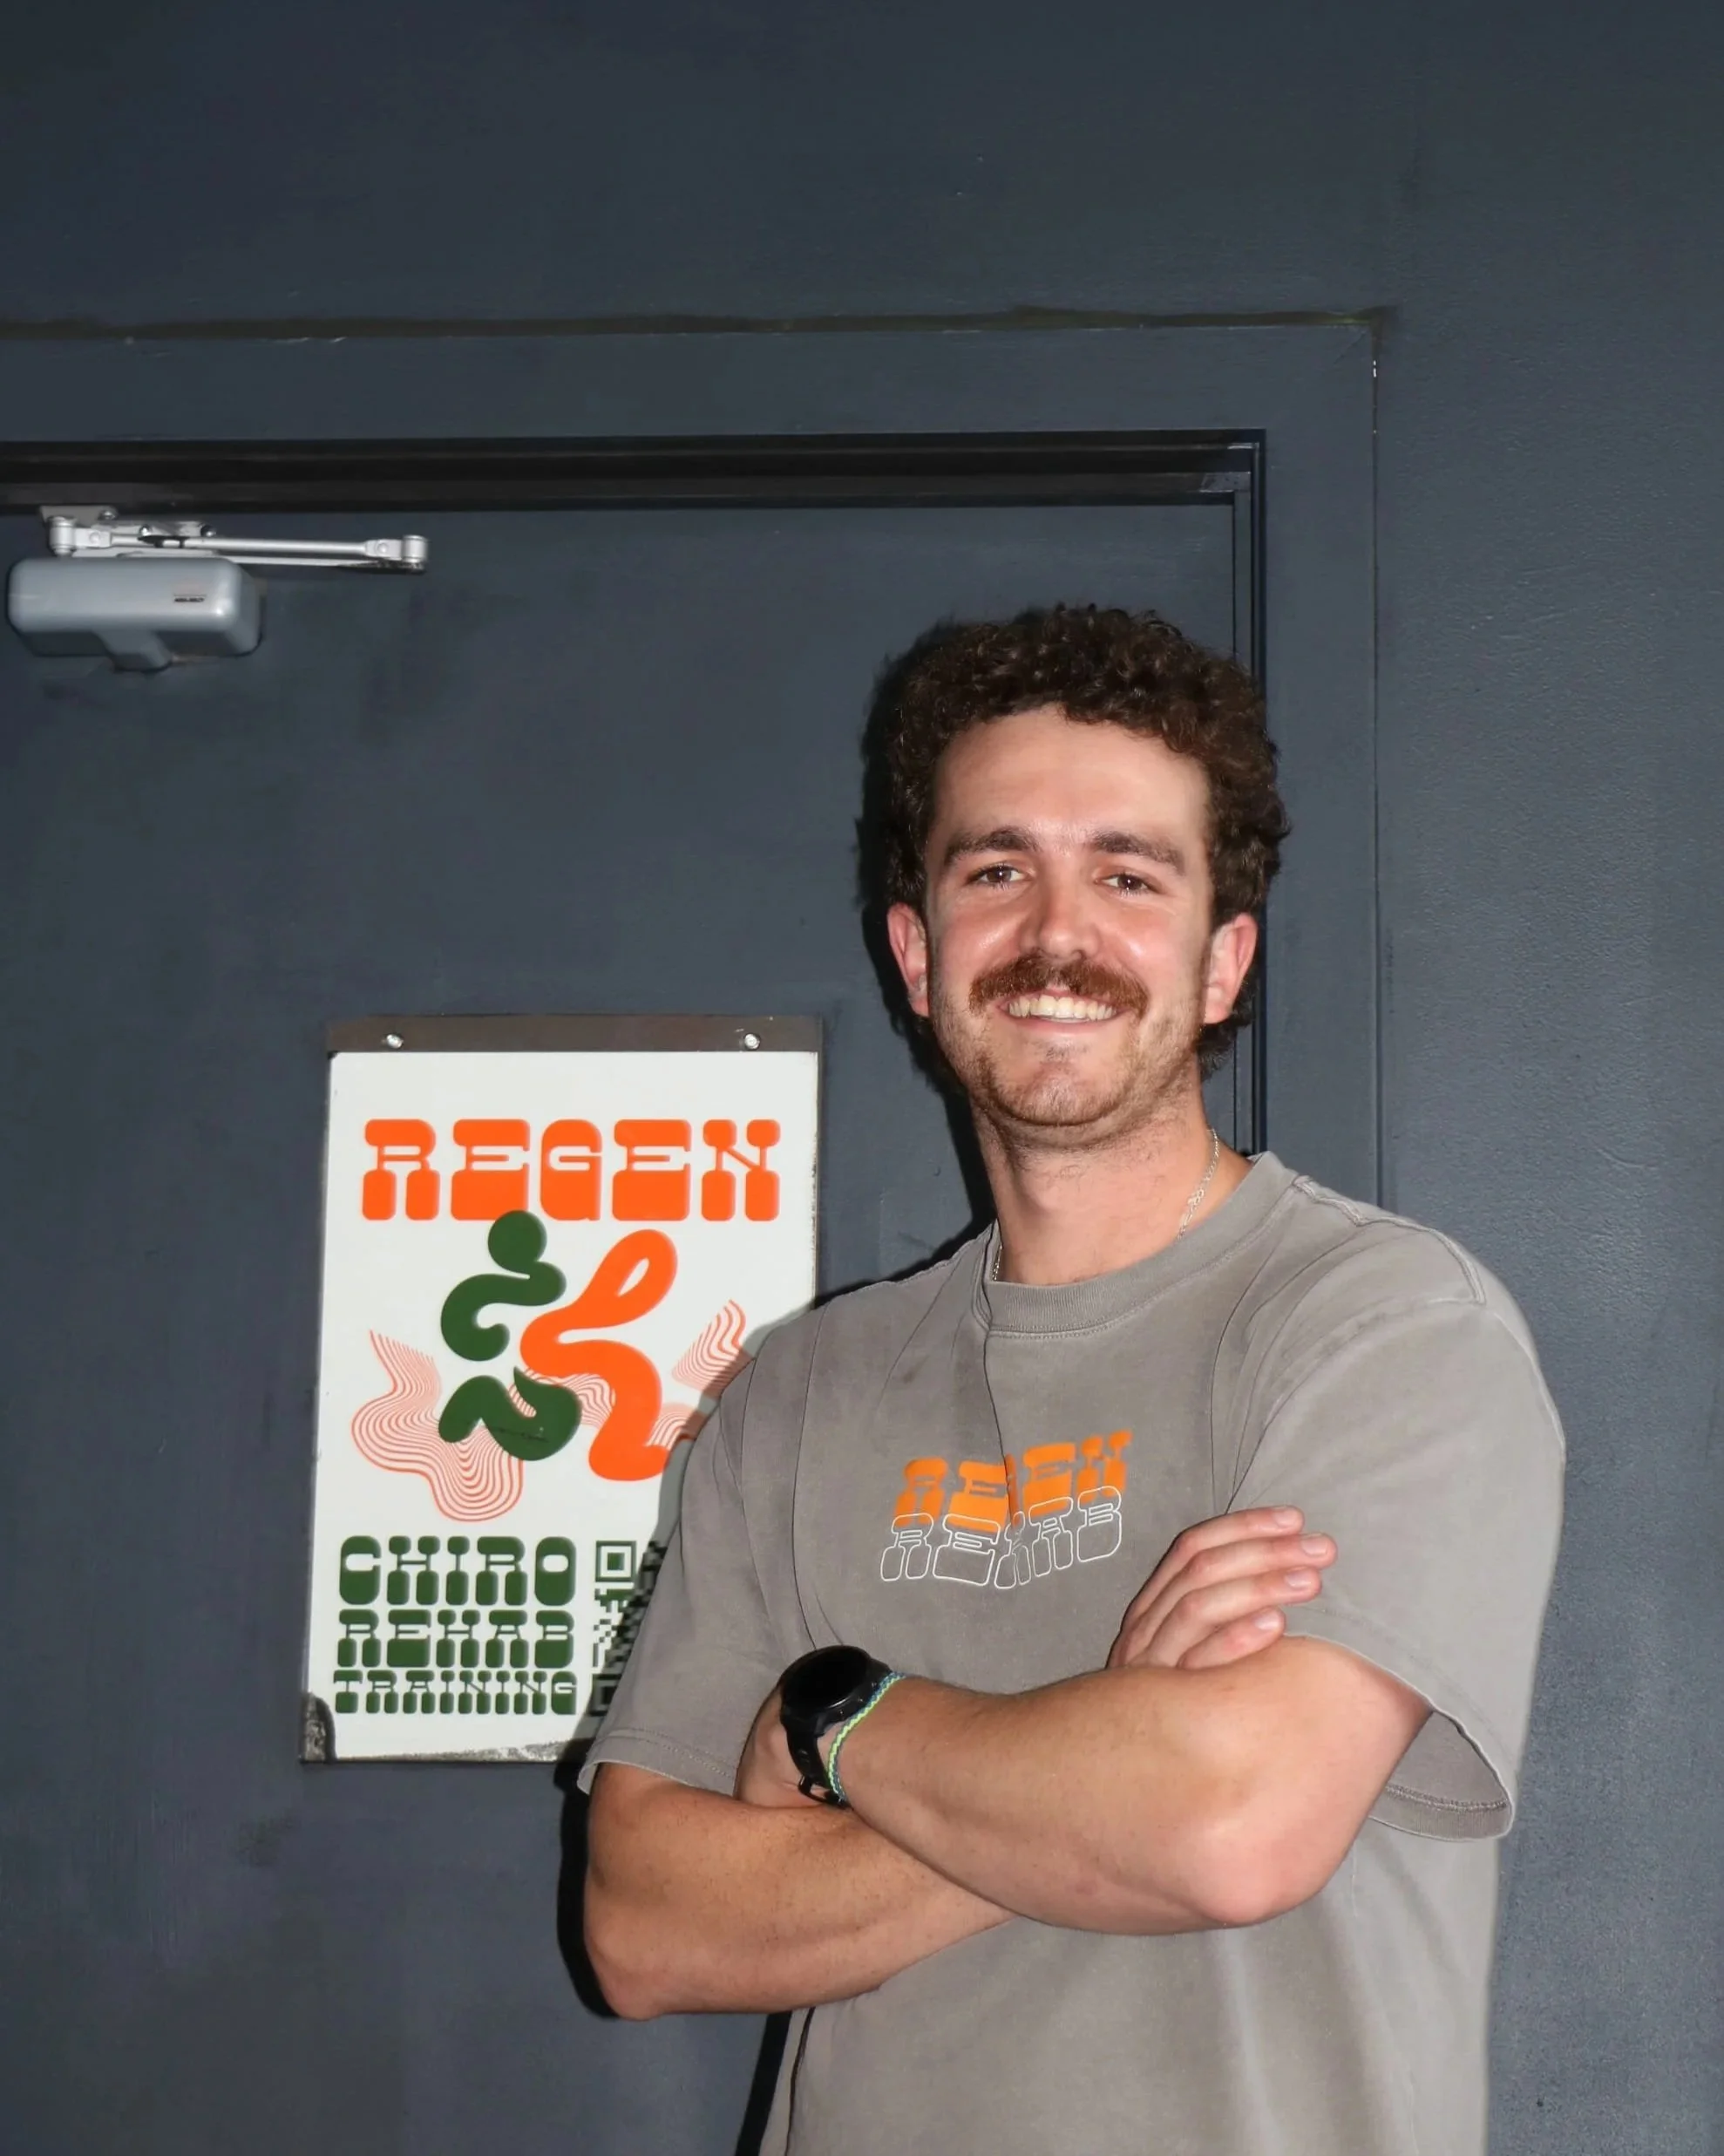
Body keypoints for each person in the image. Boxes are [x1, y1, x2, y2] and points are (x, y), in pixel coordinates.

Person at [577, 605, 1564, 2156]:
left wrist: (841, 1723)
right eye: (995, 870)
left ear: (1221, 961)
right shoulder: (802, 1392)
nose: (1055, 935)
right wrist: (1111, 1737)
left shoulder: (1380, 1327)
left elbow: (1229, 1830)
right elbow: (646, 1930)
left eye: (1127, 875)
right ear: (916, 955)